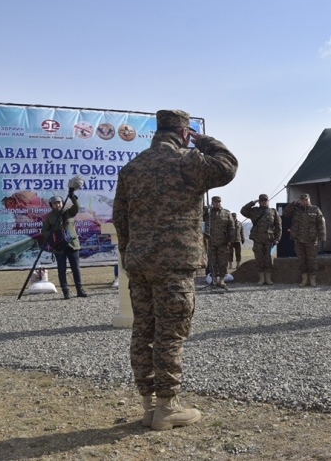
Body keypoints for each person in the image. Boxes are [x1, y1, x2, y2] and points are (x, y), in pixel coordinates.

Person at [112, 109, 237, 431]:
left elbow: (120, 219)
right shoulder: (187, 160)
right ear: (184, 133)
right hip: (174, 263)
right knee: (170, 334)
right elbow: (227, 166)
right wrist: (205, 141)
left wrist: (130, 255)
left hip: (139, 263)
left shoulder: (132, 167)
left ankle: (148, 406)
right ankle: (167, 407)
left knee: (143, 330)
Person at [43, 193, 88, 299]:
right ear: (52, 205)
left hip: (72, 245)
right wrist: (52, 236)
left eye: (59, 202)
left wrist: (73, 197)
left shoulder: (69, 212)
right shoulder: (49, 217)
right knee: (61, 269)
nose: (57, 205)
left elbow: (76, 206)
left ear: (62, 203)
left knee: (76, 268)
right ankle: (66, 292)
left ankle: (79, 290)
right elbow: (44, 230)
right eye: (55, 203)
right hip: (59, 247)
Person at [283, 193, 326, 287]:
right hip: (299, 240)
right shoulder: (295, 209)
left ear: (309, 200)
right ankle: (304, 279)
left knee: (312, 260)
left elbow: (321, 223)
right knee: (301, 260)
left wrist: (322, 237)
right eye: (302, 200)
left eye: (306, 200)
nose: (304, 201)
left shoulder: (315, 209)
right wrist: (293, 203)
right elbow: (285, 213)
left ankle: (312, 280)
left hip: (311, 240)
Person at [241, 194, 282, 285]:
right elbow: (243, 211)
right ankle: (261, 278)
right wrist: (252, 202)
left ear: (268, 201)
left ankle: (268, 278)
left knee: (268, 258)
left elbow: (278, 226)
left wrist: (277, 238)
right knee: (259, 258)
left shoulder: (273, 212)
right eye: (262, 200)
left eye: (265, 200)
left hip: (269, 239)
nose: (264, 202)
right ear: (259, 202)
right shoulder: (254, 211)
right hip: (257, 239)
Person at [203, 196, 234, 288]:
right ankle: (214, 279)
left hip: (223, 242)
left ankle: (221, 280)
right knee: (212, 261)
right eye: (216, 202)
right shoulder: (208, 213)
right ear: (212, 203)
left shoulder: (226, 213)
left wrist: (230, 240)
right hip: (211, 242)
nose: (218, 204)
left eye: (219, 202)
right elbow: (199, 213)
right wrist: (205, 208)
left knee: (223, 262)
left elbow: (231, 227)